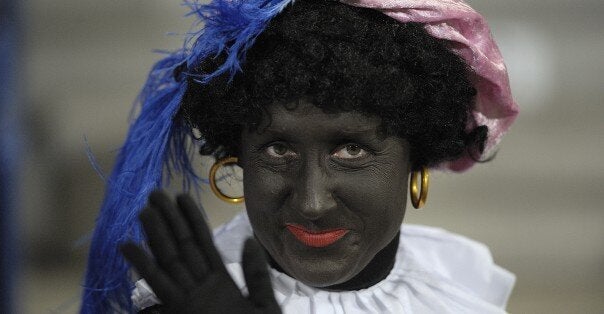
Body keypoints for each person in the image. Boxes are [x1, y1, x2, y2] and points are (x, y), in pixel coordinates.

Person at [81, 0, 519, 312]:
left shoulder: (458, 281)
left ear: (416, 159)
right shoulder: (189, 301)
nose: (312, 203)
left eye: (351, 149)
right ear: (238, 157)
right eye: (278, 149)